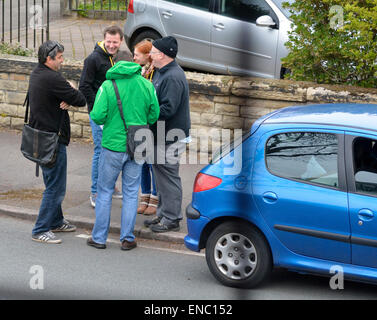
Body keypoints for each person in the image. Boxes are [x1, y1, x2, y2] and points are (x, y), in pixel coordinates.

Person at [87, 60, 160, 250]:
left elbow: (96, 115)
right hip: (138, 143)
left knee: (104, 192)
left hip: (113, 144)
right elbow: (154, 115)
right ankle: (127, 238)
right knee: (130, 192)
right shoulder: (147, 84)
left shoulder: (107, 85)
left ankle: (99, 238)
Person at [29, 40, 86, 244]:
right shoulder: (53, 79)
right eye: (59, 57)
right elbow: (80, 98)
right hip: (52, 140)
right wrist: (70, 89)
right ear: (48, 59)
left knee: (52, 182)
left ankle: (56, 220)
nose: (63, 60)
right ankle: (41, 229)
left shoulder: (37, 73)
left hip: (41, 138)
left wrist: (67, 96)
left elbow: (67, 97)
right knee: (55, 186)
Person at [144, 36, 191, 233]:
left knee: (169, 177)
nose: (150, 55)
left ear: (162, 54)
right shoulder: (162, 72)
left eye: (153, 52)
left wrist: (144, 114)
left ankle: (172, 218)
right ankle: (163, 213)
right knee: (161, 176)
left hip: (169, 136)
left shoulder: (172, 76)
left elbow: (168, 109)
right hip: (160, 135)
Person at [79, 25, 129, 208]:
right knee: (100, 152)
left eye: (115, 42)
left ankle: (110, 186)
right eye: (109, 41)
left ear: (121, 41)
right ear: (103, 39)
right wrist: (97, 108)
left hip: (113, 116)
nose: (112, 45)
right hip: (99, 115)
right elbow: (84, 86)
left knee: (111, 151)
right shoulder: (93, 59)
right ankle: (95, 191)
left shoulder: (114, 57)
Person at [133, 40, 158, 215]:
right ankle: (145, 195)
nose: (133, 57)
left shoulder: (156, 73)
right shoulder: (138, 71)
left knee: (151, 163)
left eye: (137, 54)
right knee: (141, 163)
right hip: (140, 124)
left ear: (147, 55)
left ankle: (155, 198)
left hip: (152, 125)